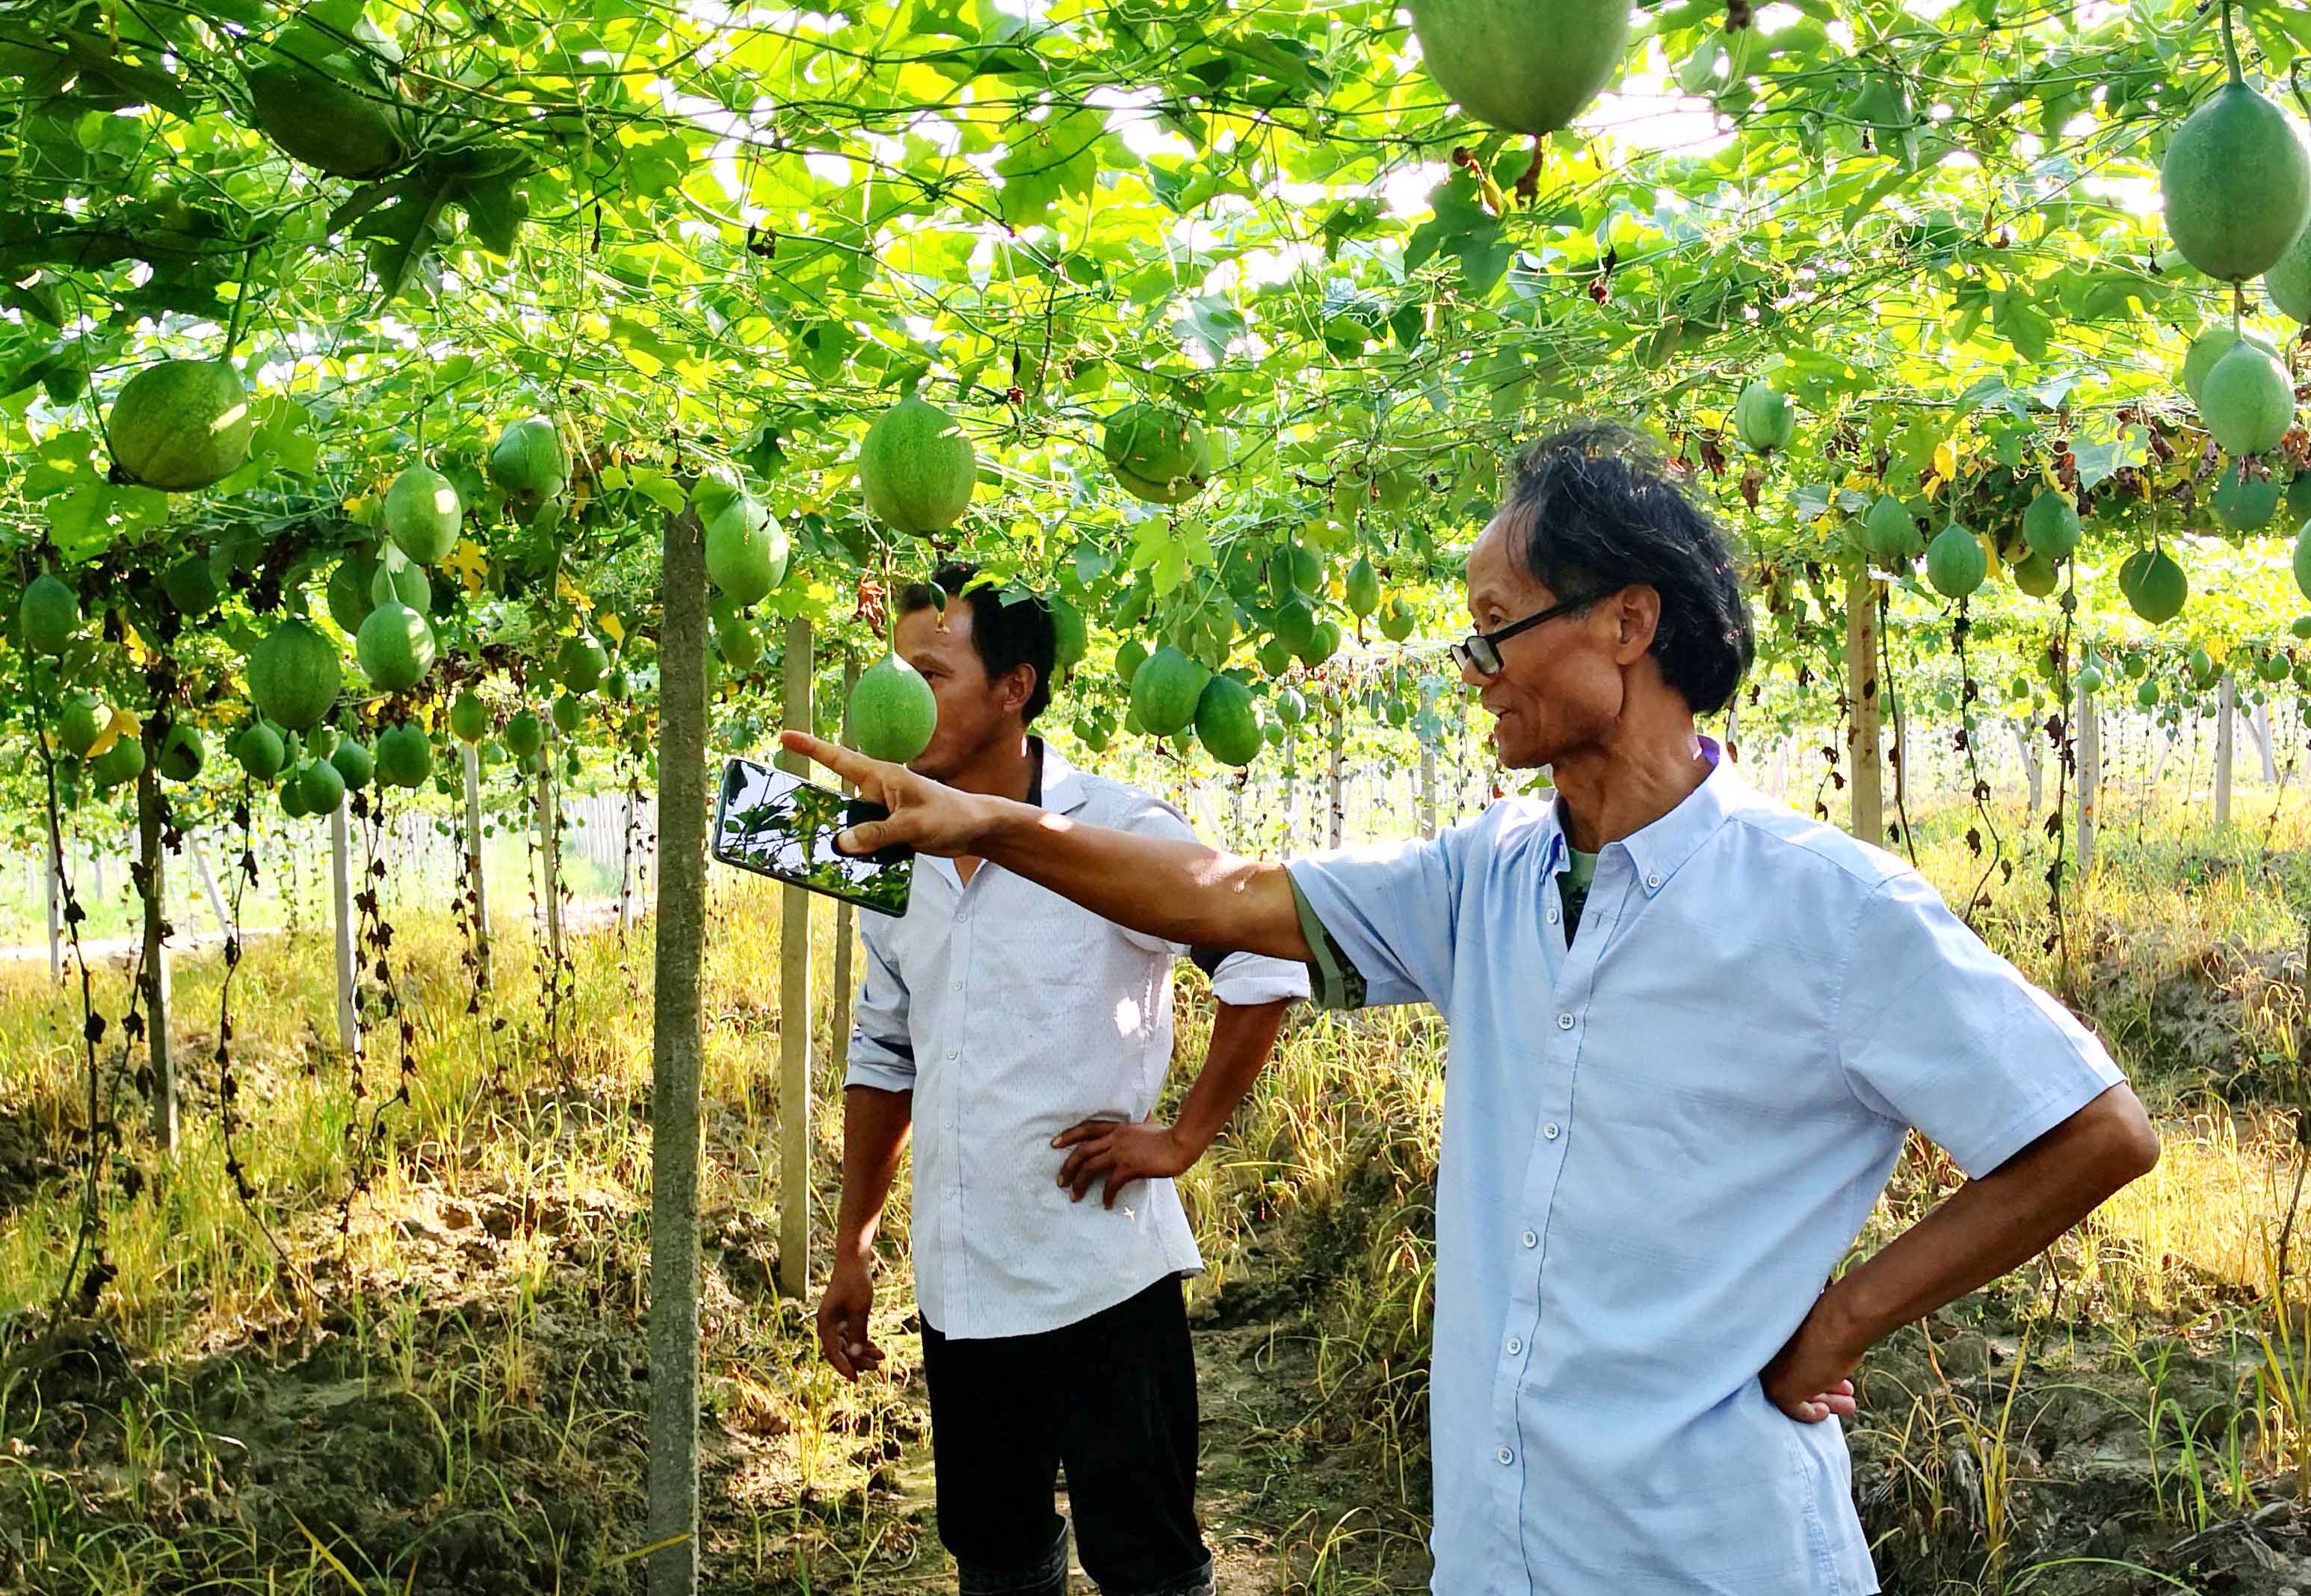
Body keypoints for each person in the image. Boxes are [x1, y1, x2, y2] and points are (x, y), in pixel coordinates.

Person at [786, 424, 2161, 1595]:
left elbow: (2096, 1131)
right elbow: (1227, 898)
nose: (1473, 662)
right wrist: (989, 825)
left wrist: (1847, 1320)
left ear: (1628, 621)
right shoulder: (1489, 874)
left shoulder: (1824, 906)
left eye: (1497, 625)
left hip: (1713, 1546)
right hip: (1503, 1547)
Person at [819, 563, 1307, 1596]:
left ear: (1015, 688)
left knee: (1149, 1569)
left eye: (933, 673)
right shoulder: (888, 853)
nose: (900, 697)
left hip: (1100, 1279)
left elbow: (1266, 963)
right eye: (894, 672)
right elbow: (885, 1053)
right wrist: (854, 1244)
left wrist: (1179, 1141)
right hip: (963, 1285)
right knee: (998, 1562)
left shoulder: (1118, 831)